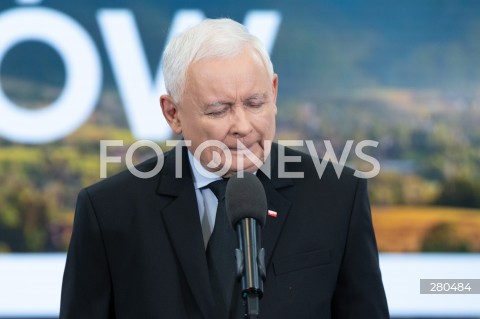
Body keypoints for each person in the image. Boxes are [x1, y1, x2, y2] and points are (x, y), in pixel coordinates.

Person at [60, 18, 389, 318]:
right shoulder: (108, 211)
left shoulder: (338, 196)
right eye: (219, 111)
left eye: (255, 103)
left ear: (274, 92)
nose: (242, 126)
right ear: (173, 113)